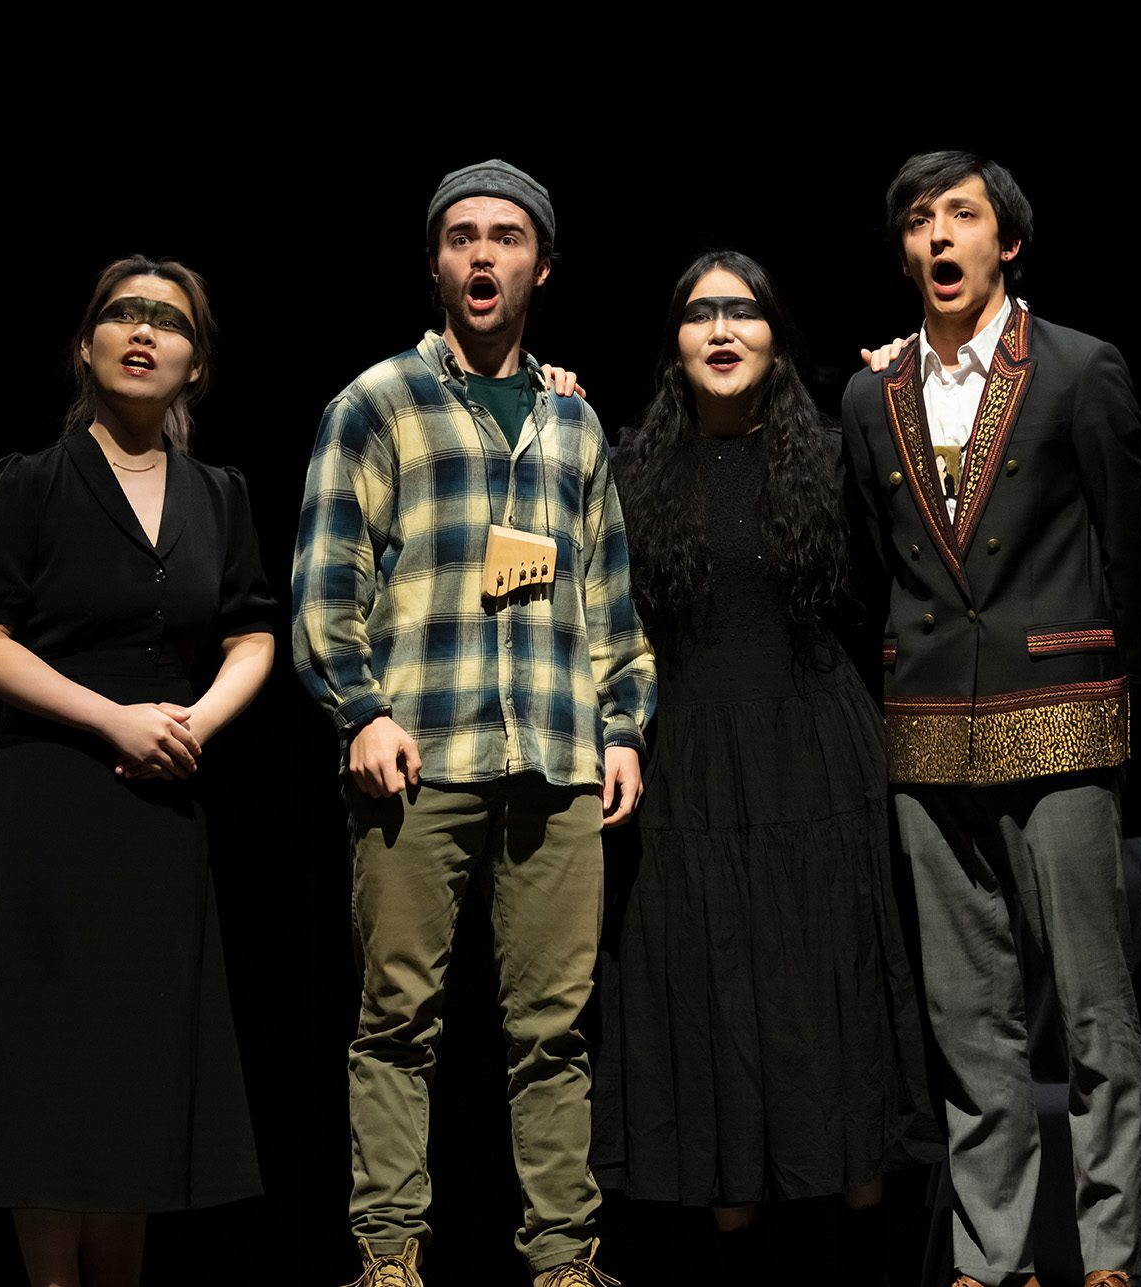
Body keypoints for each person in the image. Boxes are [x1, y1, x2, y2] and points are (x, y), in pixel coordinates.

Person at [291, 159, 653, 1287]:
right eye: (460, 237)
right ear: (437, 263)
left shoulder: (574, 424)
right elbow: (322, 589)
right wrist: (361, 711)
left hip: (553, 756)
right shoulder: (376, 404)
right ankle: (389, 1255)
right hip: (421, 754)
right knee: (398, 1020)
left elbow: (610, 605)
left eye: (504, 237)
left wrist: (625, 726)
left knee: (554, 1033)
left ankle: (561, 1260)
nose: (481, 255)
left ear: (541, 264)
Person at [592, 251, 941, 1276]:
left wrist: (899, 388)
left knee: (829, 985)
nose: (723, 328)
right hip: (689, 758)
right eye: (700, 313)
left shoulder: (835, 452)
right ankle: (732, 1241)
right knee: (714, 995)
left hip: (815, 754)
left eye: (744, 311)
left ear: (778, 337)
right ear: (674, 345)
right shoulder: (627, 469)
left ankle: (863, 1240)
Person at [843, 151, 1141, 1287]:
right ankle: (993, 1253)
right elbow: (881, 562)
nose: (938, 235)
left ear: (1005, 243)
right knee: (968, 1019)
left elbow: (1127, 542)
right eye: (919, 219)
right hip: (928, 723)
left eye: (960, 216)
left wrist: (1111, 681)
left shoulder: (1077, 368)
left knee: (1092, 1012)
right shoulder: (870, 396)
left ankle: (1112, 1250)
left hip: (1062, 710)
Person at [0, 256, 276, 1286]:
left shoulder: (218, 496)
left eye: (169, 321)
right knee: (48, 1066)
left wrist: (194, 723)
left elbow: (255, 631)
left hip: (157, 812)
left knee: (134, 1069)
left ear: (196, 366)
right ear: (88, 345)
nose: (145, 332)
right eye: (123, 315)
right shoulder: (32, 481)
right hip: (52, 795)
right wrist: (113, 722)